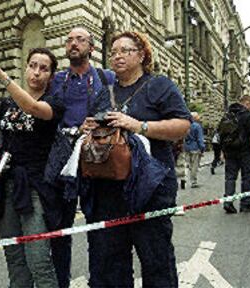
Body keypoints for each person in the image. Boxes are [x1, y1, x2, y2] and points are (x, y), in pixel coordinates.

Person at [80, 31, 191, 287]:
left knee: (156, 262)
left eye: (125, 50)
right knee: (109, 266)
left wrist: (139, 126)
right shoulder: (103, 93)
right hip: (107, 190)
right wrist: (89, 128)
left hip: (150, 190)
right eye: (114, 51)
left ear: (141, 55)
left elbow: (182, 125)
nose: (117, 55)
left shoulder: (159, 85)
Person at [0, 47, 62, 288]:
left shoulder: (54, 103)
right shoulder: (6, 105)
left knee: (38, 260)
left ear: (51, 76)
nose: (36, 72)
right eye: (33, 65)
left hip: (35, 189)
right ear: (26, 67)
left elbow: (33, 109)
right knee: (15, 259)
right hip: (6, 187)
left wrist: (1, 75)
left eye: (43, 68)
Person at [47, 26, 115, 288]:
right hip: (62, 163)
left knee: (98, 230)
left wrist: (96, 124)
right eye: (70, 40)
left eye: (80, 40)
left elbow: (117, 110)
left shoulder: (104, 77)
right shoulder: (57, 79)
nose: (73, 44)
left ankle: (98, 282)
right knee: (60, 232)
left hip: (95, 161)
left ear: (92, 48)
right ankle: (61, 283)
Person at [222, 95, 250, 214]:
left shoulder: (227, 115)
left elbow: (222, 135)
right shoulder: (249, 115)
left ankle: (228, 202)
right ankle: (245, 204)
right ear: (247, 103)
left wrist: (224, 152)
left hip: (230, 151)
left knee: (230, 177)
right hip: (245, 151)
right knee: (248, 177)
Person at [184, 112, 205, 188]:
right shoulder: (197, 126)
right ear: (195, 118)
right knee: (194, 166)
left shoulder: (185, 125)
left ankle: (184, 178)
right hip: (195, 147)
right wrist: (202, 148)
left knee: (187, 165)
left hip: (186, 147)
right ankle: (193, 182)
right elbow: (200, 139)